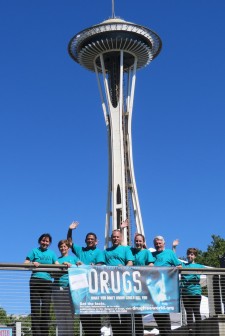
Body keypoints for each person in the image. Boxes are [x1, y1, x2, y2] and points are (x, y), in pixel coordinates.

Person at [67, 221, 105, 336]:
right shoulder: (80, 250)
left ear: (96, 241)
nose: (90, 240)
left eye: (92, 239)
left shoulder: (99, 252)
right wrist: (70, 230)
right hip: (81, 288)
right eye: (88, 239)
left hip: (94, 288)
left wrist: (85, 265)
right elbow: (69, 243)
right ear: (85, 240)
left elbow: (99, 265)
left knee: (95, 314)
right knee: (84, 315)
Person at [24, 233, 58, 336]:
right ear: (40, 241)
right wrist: (32, 263)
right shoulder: (34, 251)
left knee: (46, 310)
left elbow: (57, 265)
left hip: (47, 283)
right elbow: (25, 263)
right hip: (35, 281)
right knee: (35, 309)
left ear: (49, 243)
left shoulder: (52, 253)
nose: (45, 242)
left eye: (47, 241)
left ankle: (44, 334)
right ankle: (37, 334)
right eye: (43, 240)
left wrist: (65, 264)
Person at [104, 229, 134, 336]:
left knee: (125, 311)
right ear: (111, 238)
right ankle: (117, 334)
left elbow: (130, 262)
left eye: (117, 237)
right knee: (113, 312)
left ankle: (126, 334)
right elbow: (101, 265)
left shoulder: (126, 249)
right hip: (110, 285)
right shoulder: (106, 251)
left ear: (120, 238)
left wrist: (124, 268)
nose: (116, 239)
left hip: (123, 284)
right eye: (114, 237)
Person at [152, 235, 182, 336]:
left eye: (160, 243)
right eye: (156, 244)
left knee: (164, 314)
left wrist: (170, 271)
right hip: (153, 290)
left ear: (164, 243)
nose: (158, 245)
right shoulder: (151, 254)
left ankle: (167, 334)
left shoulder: (169, 253)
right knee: (156, 314)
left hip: (165, 289)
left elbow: (179, 265)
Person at [52, 239, 81, 336]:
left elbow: (81, 266)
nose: (63, 248)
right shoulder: (56, 260)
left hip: (70, 289)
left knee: (69, 315)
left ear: (68, 248)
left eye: (65, 246)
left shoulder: (73, 258)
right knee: (60, 315)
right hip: (58, 289)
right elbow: (52, 274)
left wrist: (71, 265)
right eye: (61, 246)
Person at [131, 233, 155, 336]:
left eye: (140, 241)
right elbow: (121, 245)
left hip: (143, 284)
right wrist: (122, 228)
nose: (138, 242)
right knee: (133, 311)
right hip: (132, 285)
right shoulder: (131, 251)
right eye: (136, 241)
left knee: (140, 311)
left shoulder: (146, 252)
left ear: (143, 242)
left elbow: (151, 265)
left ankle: (139, 333)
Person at [180, 248, 205, 329]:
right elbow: (174, 261)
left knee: (197, 312)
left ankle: (198, 332)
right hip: (186, 293)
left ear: (195, 256)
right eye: (188, 254)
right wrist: (174, 247)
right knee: (189, 313)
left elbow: (210, 272)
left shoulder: (199, 266)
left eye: (192, 254)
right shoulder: (183, 265)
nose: (189, 256)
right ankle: (190, 332)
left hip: (196, 292)